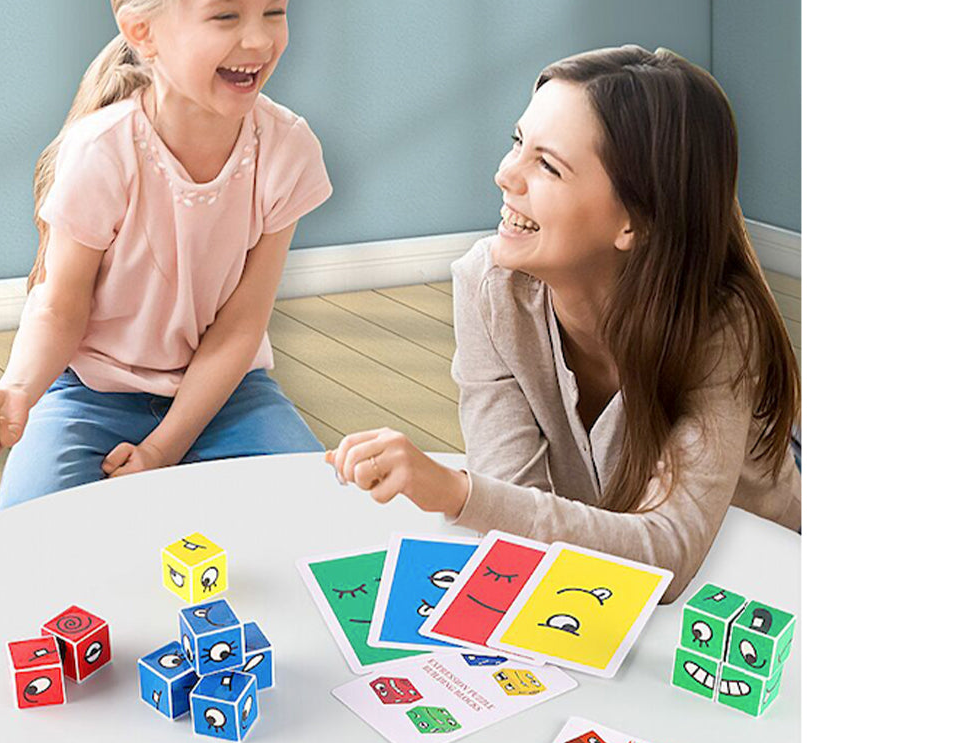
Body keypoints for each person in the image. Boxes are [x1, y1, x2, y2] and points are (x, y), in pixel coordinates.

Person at [328, 46, 800, 600]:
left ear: (634, 221)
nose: (505, 174)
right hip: (603, 580)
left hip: (763, 585)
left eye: (547, 165)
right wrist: (475, 499)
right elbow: (512, 518)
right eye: (517, 142)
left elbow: (667, 557)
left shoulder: (722, 329)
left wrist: (454, 492)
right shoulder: (489, 288)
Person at [0, 0, 332, 507]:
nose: (260, 40)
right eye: (226, 16)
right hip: (89, 396)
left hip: (229, 395)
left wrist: (163, 448)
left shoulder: (286, 149)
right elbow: (60, 306)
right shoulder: (102, 151)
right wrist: (17, 391)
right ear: (143, 31)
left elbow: (241, 327)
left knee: (320, 508)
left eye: (275, 11)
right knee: (32, 527)